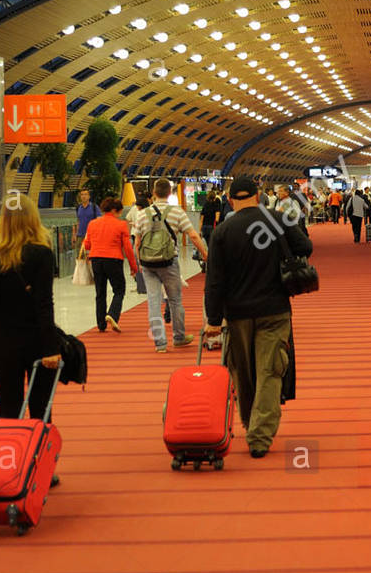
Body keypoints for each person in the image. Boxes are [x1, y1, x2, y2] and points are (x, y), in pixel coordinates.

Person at [203, 177, 313, 458]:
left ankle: (248, 421)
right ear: (258, 196)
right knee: (270, 370)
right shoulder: (279, 219)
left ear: (230, 200)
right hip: (275, 309)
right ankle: (260, 437)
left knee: (244, 372)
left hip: (237, 314)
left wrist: (213, 320)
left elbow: (214, 280)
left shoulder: (223, 231)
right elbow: (305, 248)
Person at [0, 196, 62, 431]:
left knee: (8, 409)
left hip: (0, 343)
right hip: (35, 341)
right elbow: (44, 304)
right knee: (41, 411)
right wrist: (51, 348)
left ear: (4, 220)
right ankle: (39, 465)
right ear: (32, 218)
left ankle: (10, 464)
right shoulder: (41, 253)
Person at [133, 178, 209, 352]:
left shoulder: (142, 214)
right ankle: (179, 337)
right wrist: (205, 254)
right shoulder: (177, 212)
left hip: (148, 263)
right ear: (170, 193)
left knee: (153, 302)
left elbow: (137, 242)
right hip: (169, 262)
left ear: (153, 192)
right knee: (175, 300)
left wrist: (140, 262)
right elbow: (193, 236)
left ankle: (160, 344)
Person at [81, 197, 138, 333]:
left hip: (96, 260)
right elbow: (128, 248)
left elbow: (87, 244)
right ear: (114, 210)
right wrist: (133, 266)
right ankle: (112, 314)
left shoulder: (92, 224)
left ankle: (101, 324)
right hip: (113, 260)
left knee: (100, 292)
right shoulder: (120, 225)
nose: (120, 215)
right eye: (119, 212)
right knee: (119, 290)